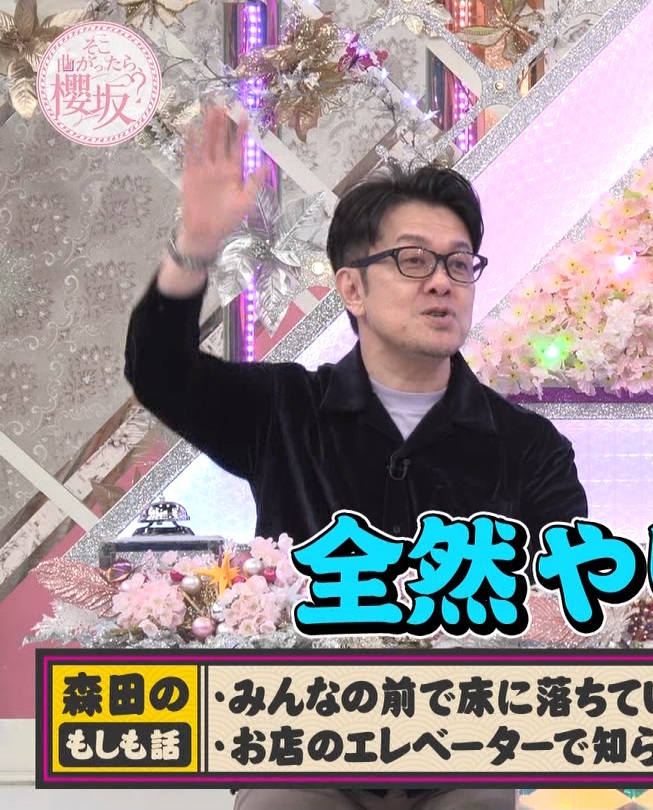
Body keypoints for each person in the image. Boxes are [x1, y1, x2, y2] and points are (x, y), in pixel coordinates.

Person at [124, 106, 586, 809]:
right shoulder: (283, 408)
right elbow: (158, 371)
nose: (442, 282)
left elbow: (568, 597)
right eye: (413, 260)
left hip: (461, 744)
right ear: (352, 288)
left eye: (459, 263)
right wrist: (196, 242)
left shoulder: (530, 447)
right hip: (303, 739)